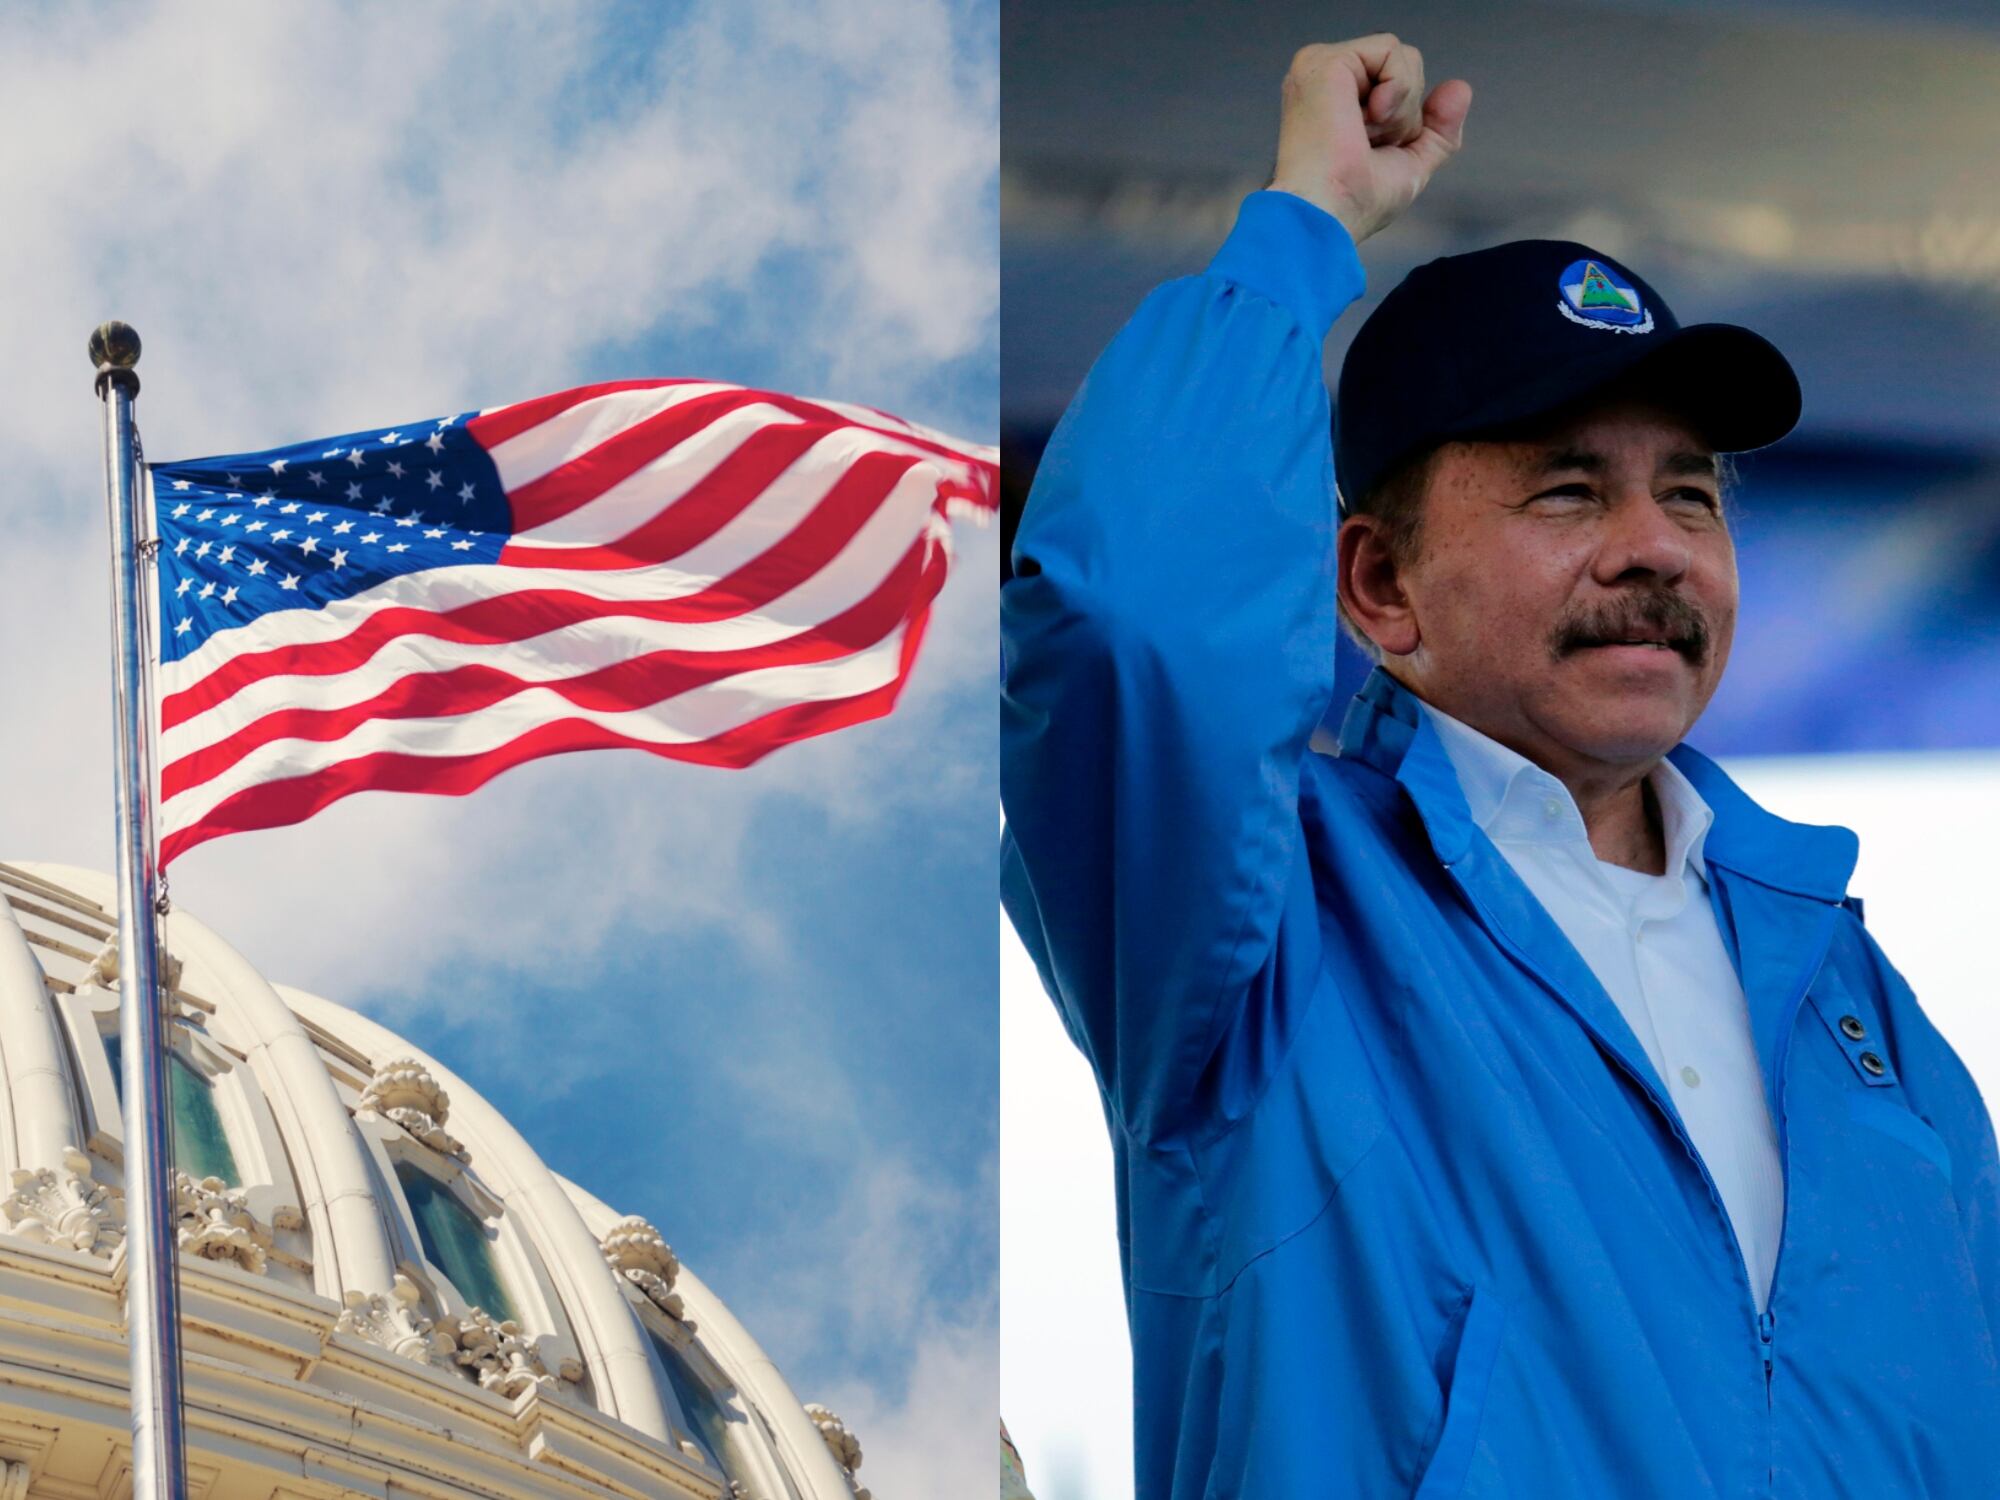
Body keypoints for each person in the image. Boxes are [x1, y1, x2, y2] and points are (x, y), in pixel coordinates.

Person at [1000, 33, 2000, 1499]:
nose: (1654, 545)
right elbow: (1133, 613)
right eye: (1568, 488)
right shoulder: (1256, 937)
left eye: (1691, 494)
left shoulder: (1853, 996)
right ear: (1379, 587)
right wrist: (1299, 226)